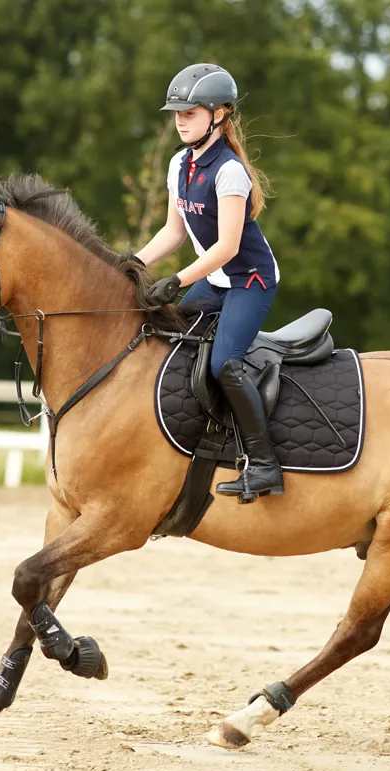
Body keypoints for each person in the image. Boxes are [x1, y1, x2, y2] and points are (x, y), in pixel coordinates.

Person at [138, 63, 283, 502]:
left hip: (249, 280)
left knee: (225, 364)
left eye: (191, 112)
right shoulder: (179, 163)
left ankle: (264, 465)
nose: (181, 120)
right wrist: (128, 262)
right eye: (177, 113)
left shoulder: (229, 171)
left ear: (220, 114)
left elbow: (227, 247)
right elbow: (174, 232)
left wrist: (176, 280)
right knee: (164, 333)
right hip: (217, 279)